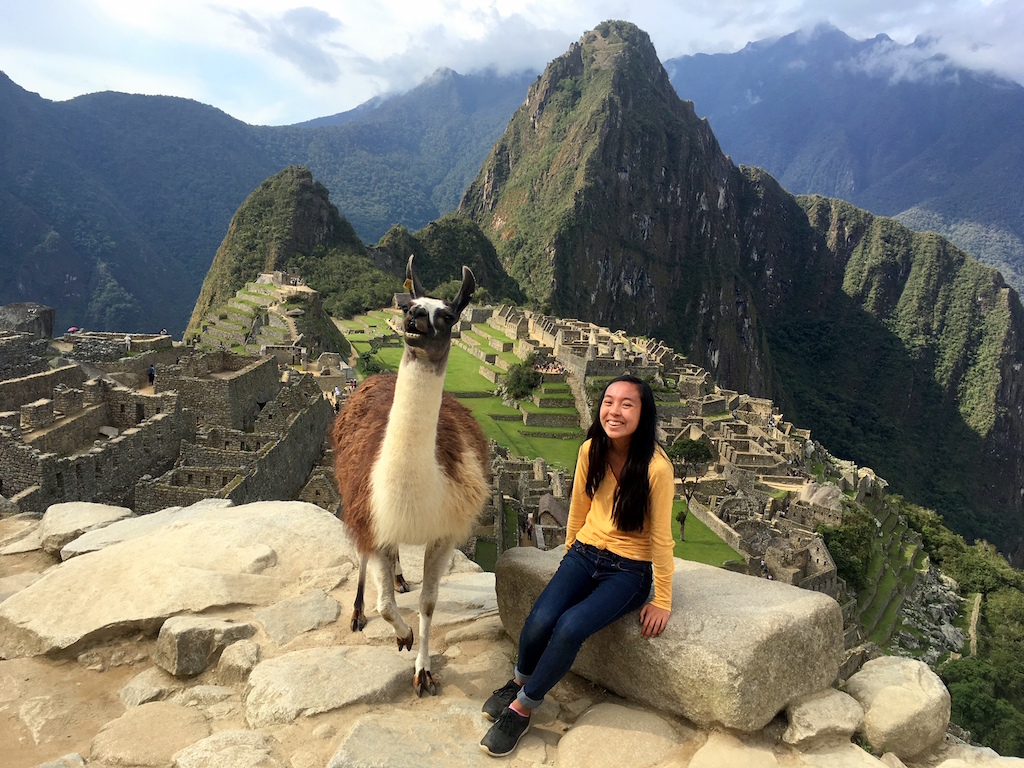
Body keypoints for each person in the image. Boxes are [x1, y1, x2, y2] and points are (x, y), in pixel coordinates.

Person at [479, 374, 675, 757]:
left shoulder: (656, 468)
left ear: (643, 413)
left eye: (626, 404)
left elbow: (661, 538)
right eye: (608, 401)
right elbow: (579, 509)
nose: (614, 411)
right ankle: (518, 680)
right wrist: (569, 556)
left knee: (570, 627)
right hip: (585, 554)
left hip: (629, 570)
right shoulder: (592, 450)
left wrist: (663, 598)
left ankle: (523, 708)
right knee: (541, 618)